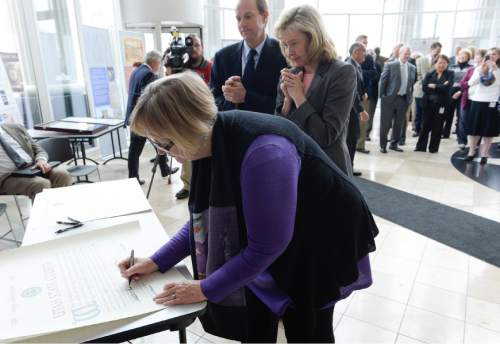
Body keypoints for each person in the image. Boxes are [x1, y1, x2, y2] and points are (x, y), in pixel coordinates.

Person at [119, 71, 378, 343]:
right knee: (256, 318)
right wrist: (155, 262)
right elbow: (202, 222)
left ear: (188, 127)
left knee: (307, 326)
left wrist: (205, 289)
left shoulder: (265, 153)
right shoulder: (206, 141)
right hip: (282, 231)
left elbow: (266, 247)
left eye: (163, 143)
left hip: (320, 237)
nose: (161, 152)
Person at [274, 5, 357, 176]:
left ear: (313, 38)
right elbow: (279, 130)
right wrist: (287, 102)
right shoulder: (292, 73)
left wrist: (298, 97)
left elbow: (326, 136)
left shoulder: (342, 72)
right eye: (284, 44)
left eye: (295, 43)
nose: (289, 52)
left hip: (328, 170)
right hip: (294, 167)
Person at [210, 0, 287, 114]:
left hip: (268, 130)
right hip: (231, 129)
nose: (242, 24)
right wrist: (229, 97)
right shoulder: (221, 57)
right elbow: (211, 103)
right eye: (238, 19)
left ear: (265, 16)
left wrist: (246, 97)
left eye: (248, 16)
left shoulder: (284, 54)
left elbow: (286, 107)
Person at [125, 50, 178, 185]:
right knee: (139, 148)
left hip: (134, 115)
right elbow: (153, 95)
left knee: (157, 144)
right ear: (154, 62)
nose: (160, 66)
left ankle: (164, 170)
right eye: (160, 63)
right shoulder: (148, 74)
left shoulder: (136, 71)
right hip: (143, 118)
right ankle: (134, 178)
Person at [174, 33, 212, 200]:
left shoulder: (209, 66)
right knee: (185, 150)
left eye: (197, 45)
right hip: (185, 115)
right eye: (191, 46)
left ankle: (207, 182)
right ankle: (188, 185)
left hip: (204, 115)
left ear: (202, 47)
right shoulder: (181, 67)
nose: (194, 49)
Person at [0, 122, 72, 199]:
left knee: (62, 175)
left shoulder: (16, 127)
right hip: (7, 176)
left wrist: (41, 160)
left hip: (33, 167)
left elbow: (38, 149)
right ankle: (45, 210)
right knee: (41, 184)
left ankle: (60, 207)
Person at [464, 47, 500, 164]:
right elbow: (470, 83)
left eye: (494, 54)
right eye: (490, 54)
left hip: (491, 102)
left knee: (488, 131)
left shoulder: (498, 70)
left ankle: (484, 154)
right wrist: (481, 72)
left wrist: (495, 70)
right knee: (474, 129)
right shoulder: (479, 68)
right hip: (477, 101)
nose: (492, 56)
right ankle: (471, 152)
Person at [378, 45, 416, 153]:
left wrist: (410, 97)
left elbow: (411, 84)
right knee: (385, 123)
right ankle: (383, 145)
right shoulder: (390, 65)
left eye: (409, 54)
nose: (407, 56)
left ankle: (394, 144)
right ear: (400, 53)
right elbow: (382, 81)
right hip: (389, 99)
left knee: (399, 123)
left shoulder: (412, 67)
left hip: (403, 99)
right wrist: (382, 96)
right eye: (405, 53)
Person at [415, 55, 454, 153]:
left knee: (438, 127)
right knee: (425, 126)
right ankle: (420, 147)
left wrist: (434, 86)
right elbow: (424, 87)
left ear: (447, 64)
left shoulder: (450, 74)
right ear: (435, 63)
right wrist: (441, 86)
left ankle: (433, 148)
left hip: (442, 105)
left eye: (444, 63)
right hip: (428, 104)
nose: (441, 65)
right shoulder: (430, 74)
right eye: (439, 62)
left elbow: (447, 88)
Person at [345, 43, 370, 176]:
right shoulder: (350, 66)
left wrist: (363, 92)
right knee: (351, 137)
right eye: (363, 52)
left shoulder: (356, 65)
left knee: (352, 137)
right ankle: (348, 167)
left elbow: (358, 86)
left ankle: (349, 165)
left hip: (354, 105)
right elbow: (351, 90)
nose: (365, 55)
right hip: (350, 108)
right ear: (355, 52)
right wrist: (360, 109)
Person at [459, 49, 487, 150]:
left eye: (478, 56)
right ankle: (463, 141)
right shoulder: (471, 70)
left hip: (479, 101)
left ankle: (474, 144)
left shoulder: (487, 71)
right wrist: (470, 83)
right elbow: (462, 84)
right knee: (463, 121)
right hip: (467, 99)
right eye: (475, 56)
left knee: (476, 123)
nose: (475, 58)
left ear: (484, 59)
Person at [355, 35, 378, 154]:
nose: (366, 44)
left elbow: (374, 73)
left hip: (364, 94)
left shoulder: (368, 58)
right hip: (352, 94)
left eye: (367, 43)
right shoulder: (349, 59)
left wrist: (358, 71)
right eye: (364, 42)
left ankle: (360, 145)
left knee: (363, 121)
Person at [414, 42, 442, 137]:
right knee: (418, 111)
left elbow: (439, 76)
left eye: (439, 51)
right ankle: (417, 130)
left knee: (428, 112)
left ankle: (425, 130)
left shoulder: (440, 62)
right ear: (431, 49)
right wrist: (426, 85)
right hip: (420, 89)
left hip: (433, 91)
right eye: (437, 51)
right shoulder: (420, 60)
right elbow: (419, 75)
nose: (438, 53)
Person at [447, 48, 473, 146]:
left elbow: (468, 82)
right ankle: (445, 134)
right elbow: (449, 80)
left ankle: (461, 139)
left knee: (461, 117)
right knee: (448, 114)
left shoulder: (471, 68)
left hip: (463, 93)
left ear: (468, 58)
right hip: (451, 92)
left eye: (464, 56)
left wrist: (460, 92)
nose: (462, 57)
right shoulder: (452, 66)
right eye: (460, 55)